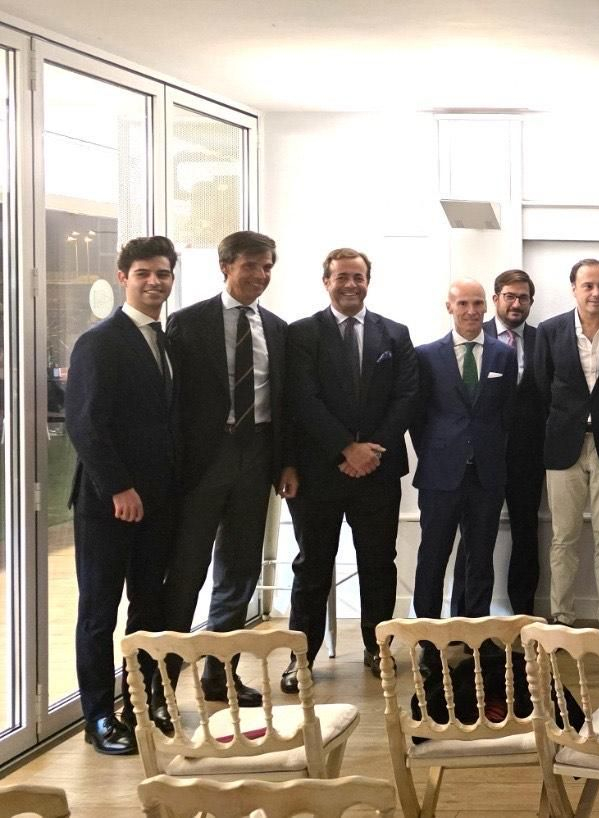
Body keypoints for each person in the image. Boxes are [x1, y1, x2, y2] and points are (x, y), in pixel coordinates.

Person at [162, 230, 293, 708]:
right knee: (186, 572)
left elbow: (284, 405)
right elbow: (172, 404)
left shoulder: (277, 329)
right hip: (201, 465)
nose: (260, 275)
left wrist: (283, 464)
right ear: (226, 267)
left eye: (267, 267)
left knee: (238, 573)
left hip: (256, 460)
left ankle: (221, 675)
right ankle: (163, 687)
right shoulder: (186, 323)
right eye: (251, 265)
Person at [279, 248, 418, 694]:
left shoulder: (394, 334)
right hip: (317, 474)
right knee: (312, 567)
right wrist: (345, 447)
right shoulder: (301, 334)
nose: (351, 284)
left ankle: (378, 651)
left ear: (368, 281)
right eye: (342, 276)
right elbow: (301, 399)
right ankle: (301, 658)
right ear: (327, 281)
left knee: (378, 563)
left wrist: (369, 451)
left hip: (377, 472)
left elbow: (405, 398)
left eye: (358, 276)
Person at [65, 236, 180, 754]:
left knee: (148, 607)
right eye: (143, 273)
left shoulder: (167, 340)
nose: (154, 281)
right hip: (108, 504)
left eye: (162, 273)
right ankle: (97, 719)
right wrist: (119, 487)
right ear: (123, 278)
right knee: (98, 613)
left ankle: (137, 704)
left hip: (158, 505)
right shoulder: (100, 341)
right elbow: (85, 425)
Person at [532, 258, 599, 629]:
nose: (596, 292)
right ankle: (562, 617)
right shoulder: (549, 331)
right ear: (574, 289)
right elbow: (541, 386)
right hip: (563, 445)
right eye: (588, 286)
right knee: (563, 537)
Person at [410, 279, 517, 619]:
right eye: (463, 304)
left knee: (481, 558)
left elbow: (506, 414)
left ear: (487, 306)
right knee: (433, 557)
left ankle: (475, 633)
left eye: (478, 303)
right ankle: (426, 637)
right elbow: (417, 417)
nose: (471, 311)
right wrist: (437, 451)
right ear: (449, 307)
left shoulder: (504, 354)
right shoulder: (426, 356)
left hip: (486, 475)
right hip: (439, 475)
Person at [452, 269, 545, 617]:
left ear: (531, 302)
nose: (516, 303)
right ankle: (464, 615)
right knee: (473, 537)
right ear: (496, 299)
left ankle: (522, 614)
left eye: (523, 297)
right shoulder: (474, 336)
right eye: (509, 295)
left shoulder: (543, 339)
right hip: (478, 458)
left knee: (526, 534)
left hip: (527, 457)